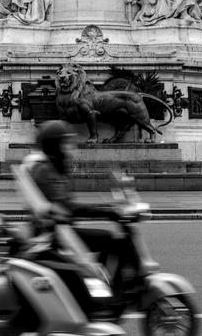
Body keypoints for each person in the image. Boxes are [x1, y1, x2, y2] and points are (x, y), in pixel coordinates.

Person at [21, 120, 140, 291]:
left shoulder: (54, 167)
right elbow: (68, 208)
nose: (72, 148)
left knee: (109, 239)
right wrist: (109, 212)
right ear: (56, 145)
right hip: (52, 235)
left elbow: (68, 206)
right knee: (109, 240)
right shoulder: (45, 171)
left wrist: (111, 208)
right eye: (67, 143)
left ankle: (101, 284)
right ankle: (103, 287)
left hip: (59, 230)